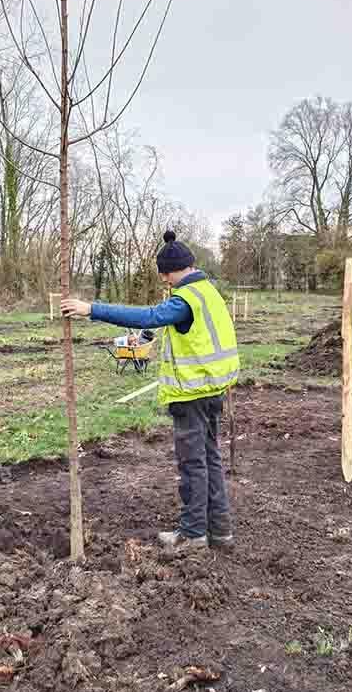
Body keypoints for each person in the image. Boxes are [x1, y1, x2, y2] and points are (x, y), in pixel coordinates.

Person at [61, 231, 239, 551]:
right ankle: (221, 530)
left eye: (164, 278)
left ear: (167, 274)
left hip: (191, 395)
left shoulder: (184, 298)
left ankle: (194, 533)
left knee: (193, 465)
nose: (165, 284)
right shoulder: (207, 291)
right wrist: (144, 338)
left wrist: (91, 309)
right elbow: (177, 327)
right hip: (214, 391)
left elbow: (153, 315)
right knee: (210, 459)